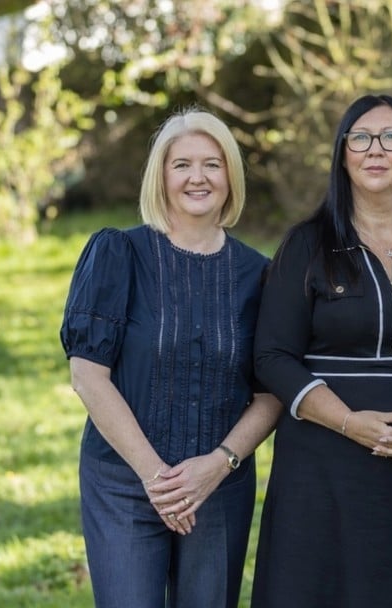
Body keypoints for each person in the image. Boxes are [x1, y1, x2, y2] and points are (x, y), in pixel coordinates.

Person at [250, 94, 392, 608]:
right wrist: (351, 423)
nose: (377, 149)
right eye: (361, 138)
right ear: (343, 154)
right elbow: (272, 357)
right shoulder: (305, 245)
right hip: (324, 475)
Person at [59, 108, 282, 608]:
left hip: (218, 487)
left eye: (212, 164)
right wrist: (158, 479)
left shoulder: (260, 275)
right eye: (182, 165)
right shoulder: (119, 254)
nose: (197, 177)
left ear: (231, 176)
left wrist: (219, 464)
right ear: (160, 176)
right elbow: (88, 376)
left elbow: (271, 393)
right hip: (124, 481)